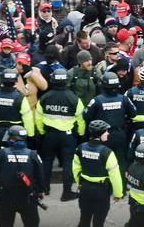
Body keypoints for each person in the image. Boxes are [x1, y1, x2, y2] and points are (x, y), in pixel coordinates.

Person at [35, 69, 85, 201]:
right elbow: (80, 119)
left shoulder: (45, 97)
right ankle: (66, 192)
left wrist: (41, 132)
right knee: (69, 163)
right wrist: (80, 134)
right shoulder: (74, 98)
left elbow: (38, 118)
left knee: (47, 161)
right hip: (68, 136)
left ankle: (44, 189)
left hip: (49, 134)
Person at [82, 72, 136, 183]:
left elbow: (86, 115)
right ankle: (121, 187)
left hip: (102, 135)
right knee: (120, 160)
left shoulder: (97, 100)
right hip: (120, 135)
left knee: (103, 160)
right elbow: (133, 113)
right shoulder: (123, 99)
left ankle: (106, 185)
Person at [0, 125, 44, 227]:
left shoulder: (1, 153)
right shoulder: (33, 154)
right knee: (32, 223)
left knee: (5, 223)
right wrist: (41, 190)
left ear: (12, 138)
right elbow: (40, 174)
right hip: (28, 196)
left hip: (6, 196)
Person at [72, 120, 124, 227]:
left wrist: (80, 183)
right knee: (98, 222)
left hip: (85, 188)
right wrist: (118, 194)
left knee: (84, 219)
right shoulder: (107, 152)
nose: (108, 133)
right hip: (101, 191)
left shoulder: (80, 148)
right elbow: (115, 176)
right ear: (100, 134)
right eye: (106, 131)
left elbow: (76, 169)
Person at [0, 68, 35, 157]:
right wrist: (31, 135)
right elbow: (28, 118)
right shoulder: (20, 98)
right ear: (15, 81)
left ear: (1, 80)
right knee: (14, 156)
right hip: (16, 132)